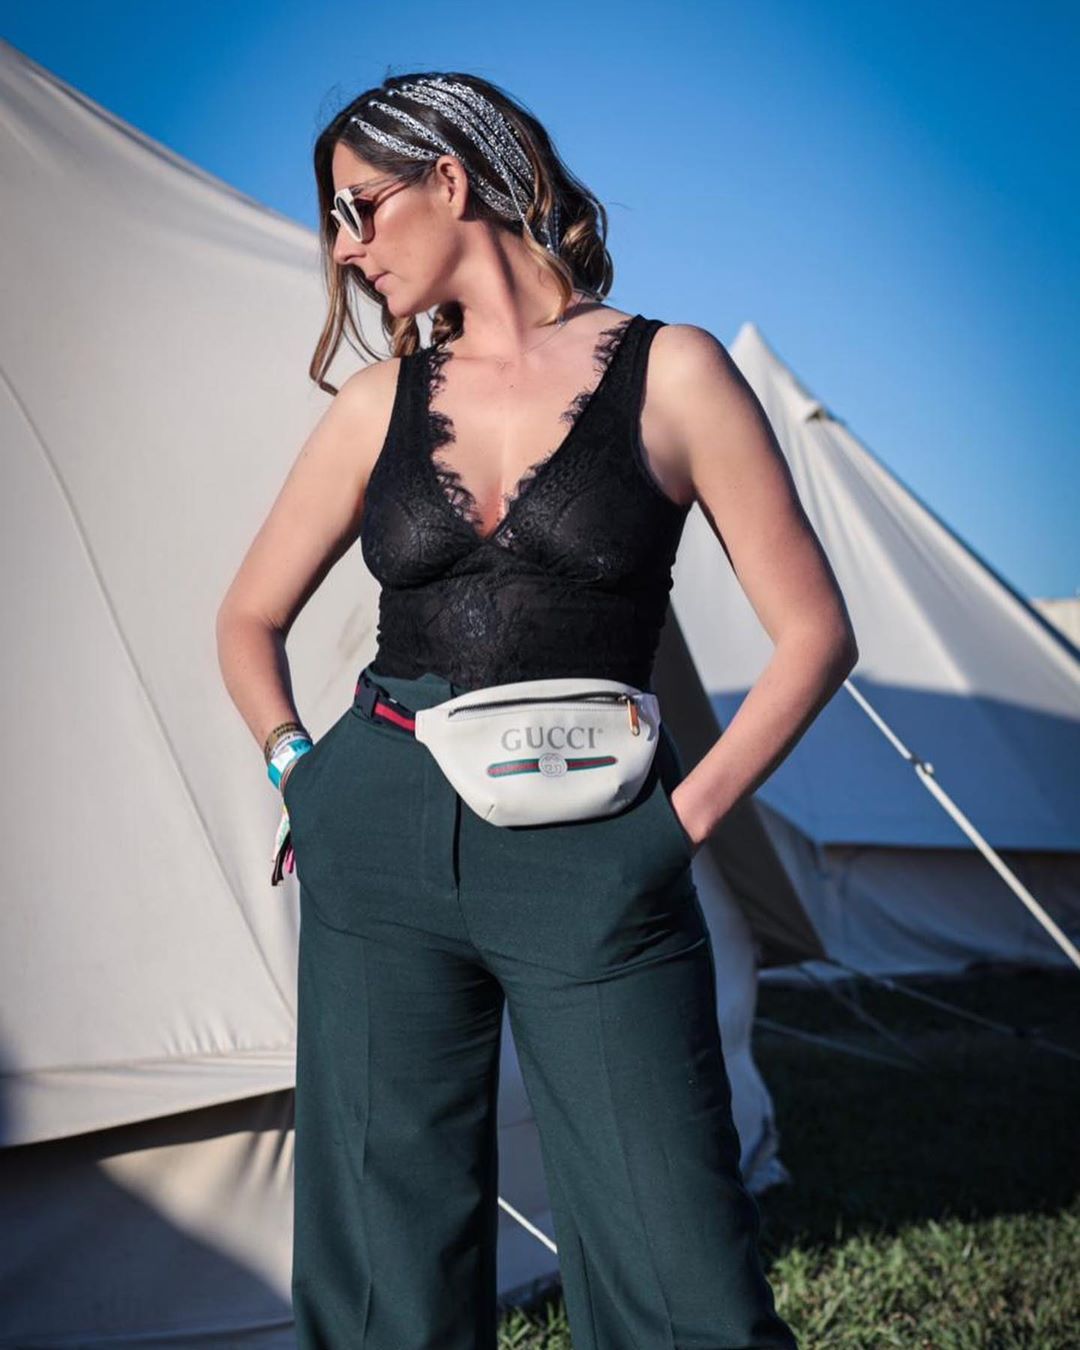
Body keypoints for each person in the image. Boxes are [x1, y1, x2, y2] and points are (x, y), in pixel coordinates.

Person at [216, 68, 856, 1350]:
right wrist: (303, 776)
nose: (343, 249)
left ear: (450, 181)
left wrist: (675, 829)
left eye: (358, 208)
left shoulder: (673, 372)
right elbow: (247, 619)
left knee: (680, 1270)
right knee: (381, 1273)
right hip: (377, 830)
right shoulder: (379, 402)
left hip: (599, 842)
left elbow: (816, 636)